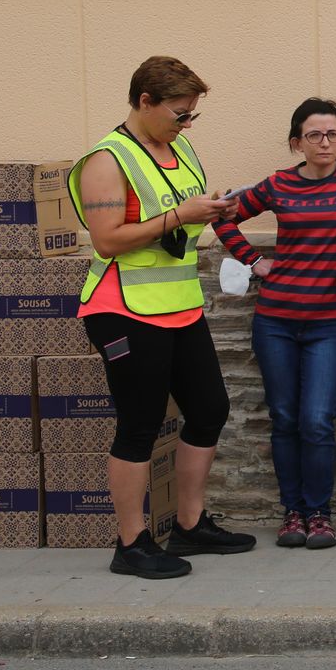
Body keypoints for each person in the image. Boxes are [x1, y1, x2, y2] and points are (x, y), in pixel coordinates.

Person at [67, 55, 254, 579]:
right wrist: (180, 215)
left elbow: (181, 215)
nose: (187, 124)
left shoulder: (180, 148)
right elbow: (106, 241)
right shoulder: (107, 159)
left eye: (192, 115)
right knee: (140, 426)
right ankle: (131, 544)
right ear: (144, 102)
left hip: (178, 304)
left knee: (210, 408)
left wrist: (213, 209)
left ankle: (189, 526)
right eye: (179, 113)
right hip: (122, 310)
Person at [212, 98, 336, 550]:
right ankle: (292, 512)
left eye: (332, 134)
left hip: (327, 322)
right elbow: (223, 220)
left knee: (317, 419)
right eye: (314, 135)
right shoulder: (278, 185)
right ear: (297, 142)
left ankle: (320, 513)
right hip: (275, 319)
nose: (325, 142)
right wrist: (256, 262)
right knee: (284, 418)